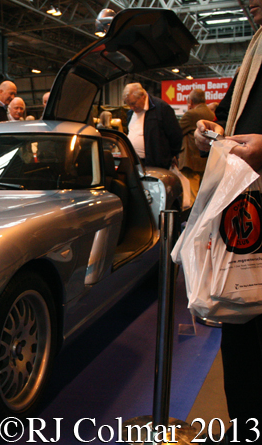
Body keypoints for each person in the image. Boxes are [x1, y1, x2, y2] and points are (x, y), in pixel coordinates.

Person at [194, 2, 262, 440]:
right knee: (242, 332)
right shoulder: (256, 46)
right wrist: (206, 133)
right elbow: (225, 117)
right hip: (248, 216)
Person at [123, 82, 182, 169]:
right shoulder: (131, 113)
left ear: (142, 96)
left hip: (156, 166)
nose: (131, 107)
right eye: (129, 105)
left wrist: (166, 158)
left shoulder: (162, 108)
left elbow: (176, 136)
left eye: (133, 103)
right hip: (135, 164)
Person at [177, 89, 215, 197]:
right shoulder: (210, 114)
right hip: (206, 160)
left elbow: (177, 131)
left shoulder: (191, 114)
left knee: (191, 194)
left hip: (191, 161)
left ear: (191, 101)